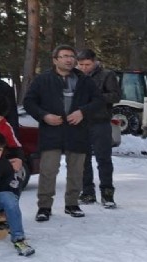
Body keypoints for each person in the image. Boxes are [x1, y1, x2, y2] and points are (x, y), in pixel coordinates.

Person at [23, 44, 104, 221]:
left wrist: (82, 112)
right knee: (48, 171)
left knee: (76, 171)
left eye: (71, 56)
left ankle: (72, 204)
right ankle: (44, 207)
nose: (69, 59)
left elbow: (98, 101)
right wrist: (44, 116)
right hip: (51, 131)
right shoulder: (43, 79)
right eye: (64, 56)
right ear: (55, 60)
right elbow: (29, 102)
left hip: (77, 132)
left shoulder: (84, 80)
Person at [75, 49, 121, 209]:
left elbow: (115, 96)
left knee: (103, 159)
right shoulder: (75, 76)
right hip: (80, 122)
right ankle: (87, 192)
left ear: (94, 62)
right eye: (80, 64)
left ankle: (107, 193)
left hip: (100, 121)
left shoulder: (107, 75)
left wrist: (96, 97)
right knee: (83, 159)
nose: (84, 68)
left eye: (87, 64)